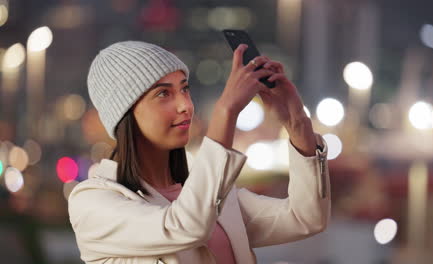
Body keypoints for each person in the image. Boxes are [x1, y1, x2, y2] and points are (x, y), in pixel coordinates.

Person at [67, 40, 331, 264]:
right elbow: (185, 226)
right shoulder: (93, 202)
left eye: (184, 88)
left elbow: (306, 218)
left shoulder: (213, 195)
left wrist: (296, 122)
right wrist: (226, 112)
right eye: (163, 94)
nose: (185, 105)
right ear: (125, 114)